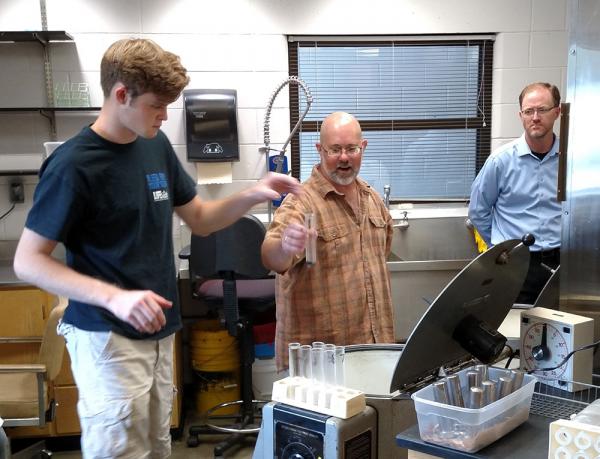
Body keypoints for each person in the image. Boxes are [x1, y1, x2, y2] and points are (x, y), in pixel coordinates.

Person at [12, 38, 301, 459]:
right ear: (121, 94)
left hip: (160, 331)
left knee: (157, 448)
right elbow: (28, 261)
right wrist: (116, 297)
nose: (165, 117)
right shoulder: (75, 164)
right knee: (119, 451)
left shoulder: (154, 145)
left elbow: (200, 217)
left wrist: (254, 193)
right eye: (156, 106)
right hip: (107, 337)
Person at [261, 111, 395, 371]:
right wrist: (285, 245)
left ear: (362, 147)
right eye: (335, 150)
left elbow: (382, 253)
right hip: (320, 363)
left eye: (351, 148)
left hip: (373, 350)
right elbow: (271, 256)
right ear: (320, 150)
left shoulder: (372, 199)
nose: (344, 157)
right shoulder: (302, 201)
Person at [468, 82, 562, 304]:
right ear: (521, 115)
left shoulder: (571, 160)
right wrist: (501, 247)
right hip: (516, 264)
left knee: (563, 331)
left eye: (543, 110)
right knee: (517, 331)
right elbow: (478, 211)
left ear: (557, 112)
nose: (535, 117)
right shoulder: (500, 161)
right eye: (529, 111)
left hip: (562, 263)